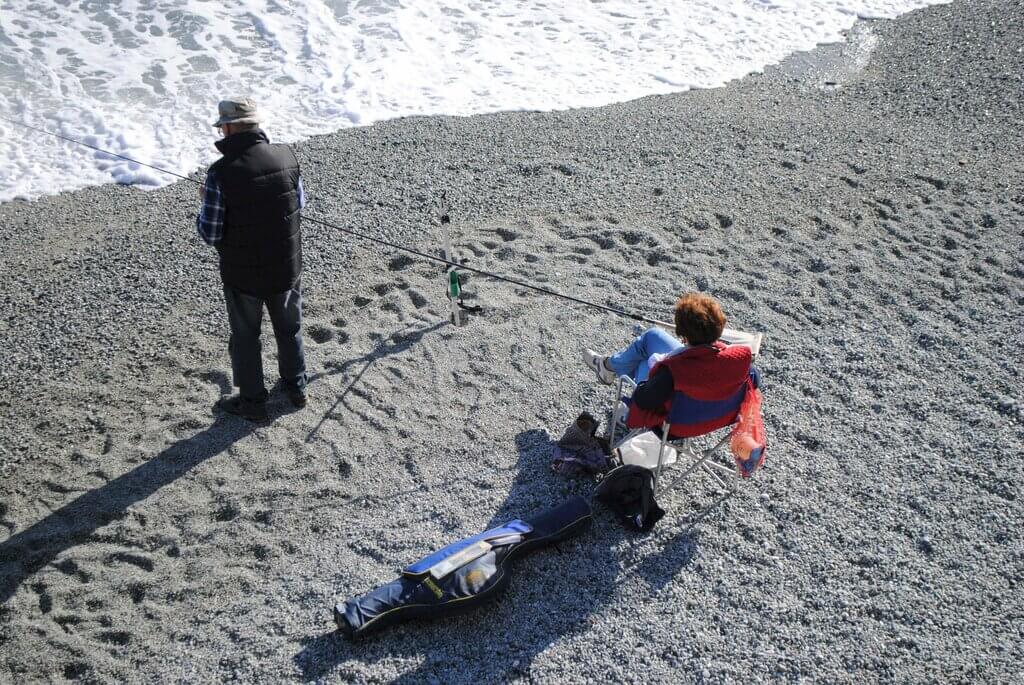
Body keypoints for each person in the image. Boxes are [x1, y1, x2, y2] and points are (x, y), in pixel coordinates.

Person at [196, 97, 307, 422]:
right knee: (289, 329)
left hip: (243, 275)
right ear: (256, 125)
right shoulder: (287, 156)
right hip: (287, 265)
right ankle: (296, 387)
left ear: (228, 128)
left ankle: (253, 403)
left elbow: (211, 233)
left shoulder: (220, 174)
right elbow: (299, 203)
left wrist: (205, 203)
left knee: (246, 337)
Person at [583, 292, 757, 438]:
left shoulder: (674, 371)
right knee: (653, 336)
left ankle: (609, 370)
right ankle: (608, 367)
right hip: (718, 416)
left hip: (676, 425)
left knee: (644, 361)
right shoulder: (740, 360)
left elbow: (644, 399)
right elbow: (754, 380)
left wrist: (656, 364)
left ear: (683, 335)